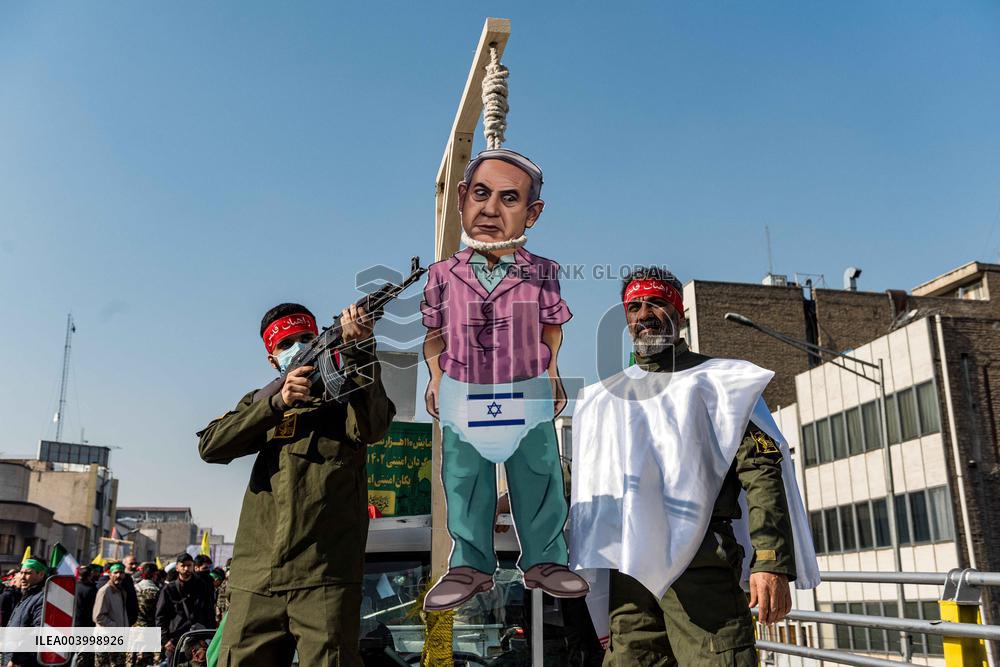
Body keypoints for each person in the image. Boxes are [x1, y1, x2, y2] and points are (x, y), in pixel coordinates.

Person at [569, 266, 819, 666]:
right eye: (634, 306)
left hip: (702, 568)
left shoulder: (724, 383)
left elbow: (762, 471)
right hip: (628, 575)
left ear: (680, 313)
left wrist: (771, 561)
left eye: (656, 302)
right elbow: (582, 479)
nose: (644, 314)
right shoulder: (603, 399)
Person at [420, 148, 588, 611]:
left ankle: (546, 560)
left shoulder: (543, 273)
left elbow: (552, 327)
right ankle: (469, 565)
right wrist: (435, 378)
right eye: (480, 193)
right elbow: (434, 334)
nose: (490, 209)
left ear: (532, 214)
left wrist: (552, 373)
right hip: (463, 389)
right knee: (464, 477)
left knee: (537, 472)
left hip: (525, 386)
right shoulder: (441, 275)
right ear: (461, 199)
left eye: (509, 199)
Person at [197, 300, 394, 666]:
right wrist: (276, 404)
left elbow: (374, 426)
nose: (297, 348)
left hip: (324, 576)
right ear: (273, 360)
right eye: (285, 344)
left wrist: (360, 350)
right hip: (256, 577)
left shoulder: (345, 394)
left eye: (305, 338)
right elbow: (211, 445)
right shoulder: (264, 403)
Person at [155, 554, 215, 661]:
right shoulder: (169, 589)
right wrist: (165, 640)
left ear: (193, 566)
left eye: (189, 565)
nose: (186, 568)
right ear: (177, 567)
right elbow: (161, 617)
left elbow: (209, 612)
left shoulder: (202, 586)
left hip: (197, 639)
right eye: (183, 566)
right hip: (175, 641)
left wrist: (208, 637)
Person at [4, 558, 48, 667]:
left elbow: (37, 632)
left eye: (28, 573)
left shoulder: (41, 598)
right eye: (22, 572)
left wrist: (17, 659)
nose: (23, 577)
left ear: (41, 574)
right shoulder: (27, 595)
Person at [93, 563, 129, 667]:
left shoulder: (121, 591)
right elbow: (98, 616)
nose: (118, 575)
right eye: (115, 572)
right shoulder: (105, 591)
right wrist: (115, 627)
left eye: (121, 572)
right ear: (110, 574)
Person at [126, 563, 160, 667]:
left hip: (133, 630)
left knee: (130, 660)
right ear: (155, 574)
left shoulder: (134, 589)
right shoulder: (157, 591)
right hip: (150, 630)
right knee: (145, 661)